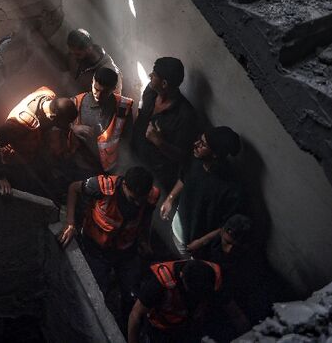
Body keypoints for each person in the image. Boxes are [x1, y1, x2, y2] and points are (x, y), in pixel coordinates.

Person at [59, 167, 160, 324]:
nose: (137, 203)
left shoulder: (150, 196)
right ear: (125, 185)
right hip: (95, 248)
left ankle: (126, 323)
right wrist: (70, 223)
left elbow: (145, 218)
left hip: (126, 250)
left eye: (140, 199)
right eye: (133, 199)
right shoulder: (102, 186)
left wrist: (144, 241)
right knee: (97, 290)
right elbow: (74, 188)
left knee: (132, 292)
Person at [160, 126, 245, 259]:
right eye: (199, 139)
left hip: (193, 244)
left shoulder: (230, 188)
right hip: (176, 228)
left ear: (215, 154)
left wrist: (201, 242)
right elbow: (184, 178)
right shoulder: (196, 161)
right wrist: (170, 198)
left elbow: (226, 224)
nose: (196, 144)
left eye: (203, 144)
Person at [0, 87, 79, 199]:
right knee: (32, 192)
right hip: (14, 161)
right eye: (61, 124)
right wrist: (0, 176)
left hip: (34, 153)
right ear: (52, 117)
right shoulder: (20, 122)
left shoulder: (48, 96)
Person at [128, 259, 249, 343]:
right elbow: (135, 315)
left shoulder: (213, 278)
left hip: (189, 325)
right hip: (161, 328)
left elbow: (235, 313)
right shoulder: (159, 283)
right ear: (181, 277)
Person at [131, 57, 198, 191]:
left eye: (154, 74)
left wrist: (159, 142)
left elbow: (183, 156)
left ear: (164, 83)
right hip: (134, 156)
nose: (150, 76)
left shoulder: (186, 115)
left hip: (156, 177)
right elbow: (142, 114)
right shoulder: (150, 92)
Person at [71, 67, 134, 174]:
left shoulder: (124, 106)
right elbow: (60, 126)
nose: (99, 95)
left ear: (113, 88)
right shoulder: (76, 102)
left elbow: (127, 138)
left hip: (111, 167)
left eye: (104, 92)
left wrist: (122, 167)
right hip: (83, 164)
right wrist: (73, 128)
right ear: (92, 82)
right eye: (96, 89)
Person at [67, 29, 122, 95]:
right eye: (71, 53)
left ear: (89, 49)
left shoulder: (110, 72)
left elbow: (114, 100)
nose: (74, 57)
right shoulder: (78, 58)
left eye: (78, 54)